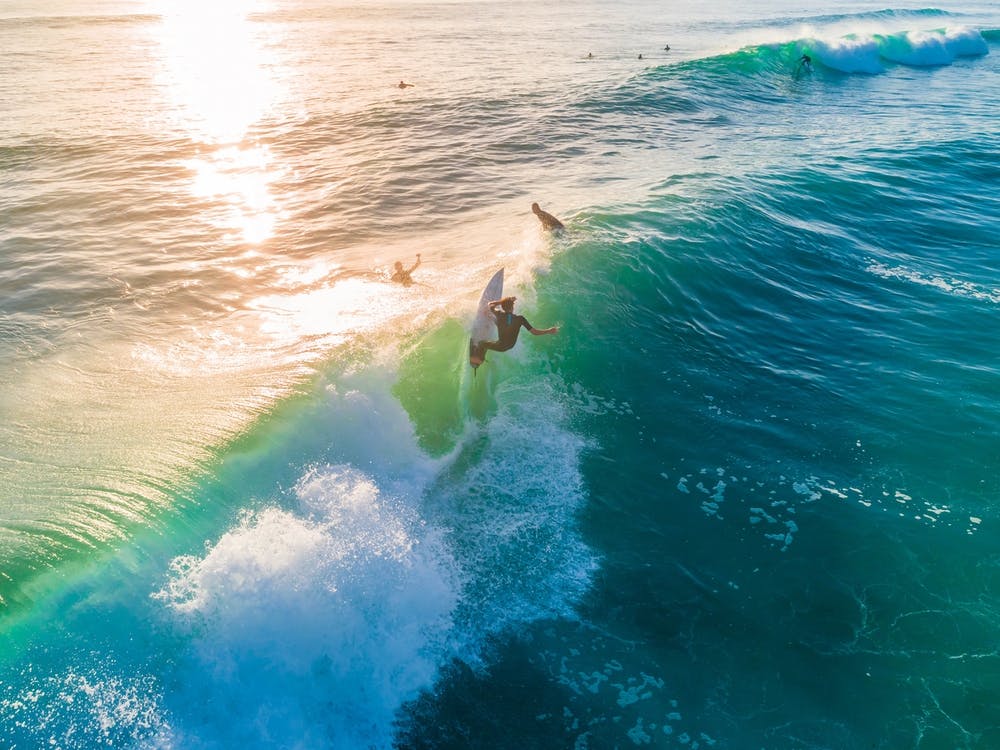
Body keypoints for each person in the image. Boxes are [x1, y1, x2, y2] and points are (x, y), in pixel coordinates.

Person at [470, 296, 558, 365]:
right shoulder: (520, 319)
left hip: (501, 346)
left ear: (503, 307)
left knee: (482, 343)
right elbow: (534, 332)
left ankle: (478, 360)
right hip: (510, 345)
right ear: (512, 307)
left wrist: (502, 301)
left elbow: (490, 304)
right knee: (500, 323)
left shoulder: (499, 314)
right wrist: (548, 331)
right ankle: (491, 319)